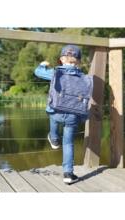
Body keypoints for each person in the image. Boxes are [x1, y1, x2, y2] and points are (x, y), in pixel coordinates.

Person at [34, 45, 86, 184]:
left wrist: (42, 65)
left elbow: (38, 72)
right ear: (79, 62)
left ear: (61, 59)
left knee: (53, 118)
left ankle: (54, 139)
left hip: (56, 111)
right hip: (73, 115)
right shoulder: (83, 76)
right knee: (68, 143)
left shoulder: (56, 73)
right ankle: (68, 173)